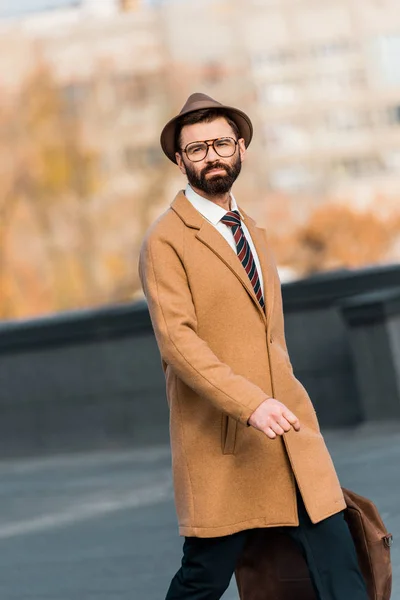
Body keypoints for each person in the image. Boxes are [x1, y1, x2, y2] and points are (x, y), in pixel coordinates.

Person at [138, 93, 368, 600]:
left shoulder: (253, 232)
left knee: (341, 565)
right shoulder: (166, 241)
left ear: (241, 148)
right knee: (203, 578)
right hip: (225, 442)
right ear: (179, 160)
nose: (211, 155)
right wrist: (251, 404)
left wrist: (277, 402)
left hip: (290, 431)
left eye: (221, 143)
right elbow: (178, 341)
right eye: (196, 149)